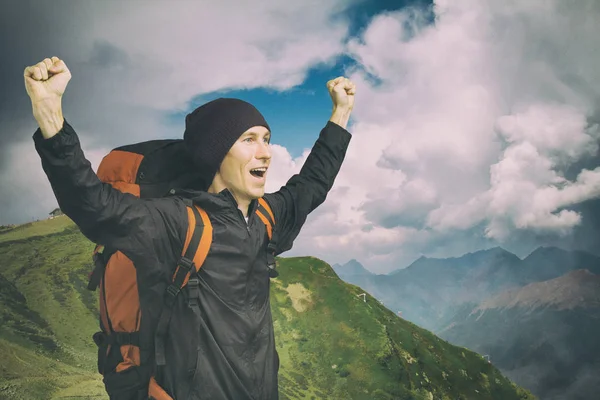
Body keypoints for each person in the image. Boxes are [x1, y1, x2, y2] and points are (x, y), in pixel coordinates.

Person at [25, 56, 355, 400]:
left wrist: (341, 114)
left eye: (266, 138)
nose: (266, 152)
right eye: (249, 140)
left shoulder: (266, 217)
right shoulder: (176, 222)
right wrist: (50, 114)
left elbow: (312, 184)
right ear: (216, 154)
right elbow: (96, 207)